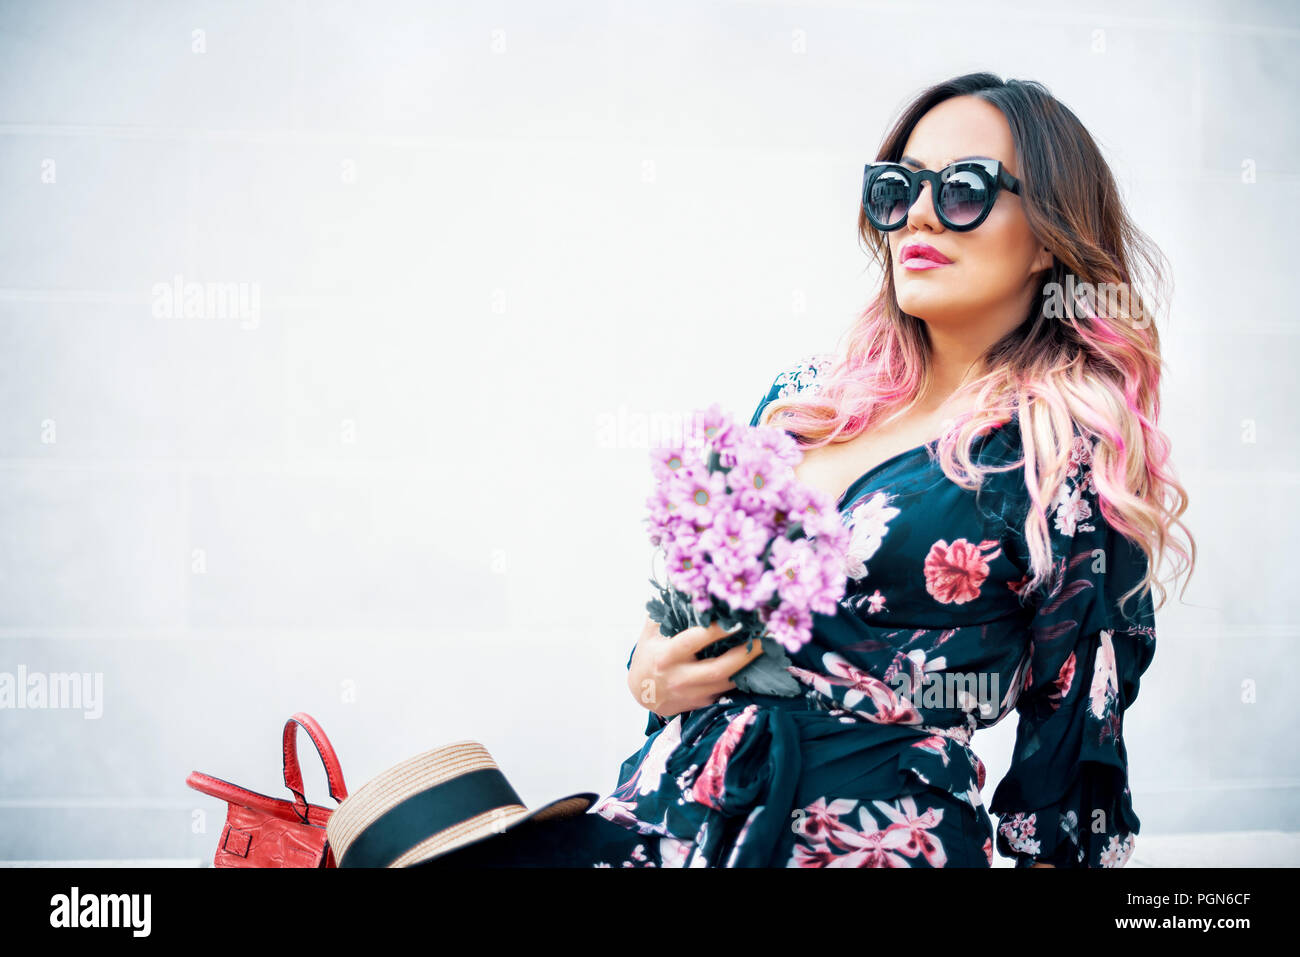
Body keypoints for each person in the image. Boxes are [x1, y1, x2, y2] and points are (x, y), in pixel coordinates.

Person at [427, 71, 1195, 868]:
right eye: (897, 189)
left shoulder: (1060, 458)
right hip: (666, 817)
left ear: (1046, 236)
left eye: (964, 188)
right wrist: (651, 675)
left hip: (864, 837)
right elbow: (692, 616)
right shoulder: (808, 401)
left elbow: (1071, 757)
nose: (921, 214)